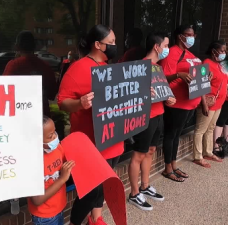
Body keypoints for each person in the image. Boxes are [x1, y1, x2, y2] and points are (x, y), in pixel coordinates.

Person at [58, 24, 123, 225]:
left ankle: (96, 218)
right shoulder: (78, 68)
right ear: (98, 44)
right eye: (111, 42)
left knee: (104, 185)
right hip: (91, 143)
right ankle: (76, 222)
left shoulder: (110, 69)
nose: (115, 45)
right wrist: (81, 103)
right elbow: (62, 103)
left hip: (112, 139)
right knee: (90, 190)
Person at [128, 32, 176, 211]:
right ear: (156, 47)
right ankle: (134, 194)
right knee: (138, 155)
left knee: (151, 150)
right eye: (165, 46)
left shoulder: (157, 67)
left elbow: (162, 90)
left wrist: (169, 98)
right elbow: (130, 94)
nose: (167, 49)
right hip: (144, 117)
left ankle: (144, 186)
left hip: (158, 115)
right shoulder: (139, 67)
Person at [159, 25, 202, 182]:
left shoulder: (191, 54)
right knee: (171, 135)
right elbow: (162, 78)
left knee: (177, 135)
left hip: (190, 103)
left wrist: (206, 75)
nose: (192, 37)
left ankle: (174, 165)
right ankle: (167, 168)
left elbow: (198, 75)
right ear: (179, 36)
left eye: (193, 35)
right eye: (188, 34)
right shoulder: (171, 53)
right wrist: (179, 75)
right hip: (177, 103)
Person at [28, 116, 75, 225]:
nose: (55, 137)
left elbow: (65, 166)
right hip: (44, 216)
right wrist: (62, 179)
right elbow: (37, 200)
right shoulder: (33, 162)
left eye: (54, 132)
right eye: (50, 136)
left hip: (59, 207)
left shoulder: (58, 148)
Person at [3, 30, 58, 118]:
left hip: (19, 116)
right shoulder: (45, 66)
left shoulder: (13, 65)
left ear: (17, 46)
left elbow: (4, 92)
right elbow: (52, 94)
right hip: (42, 116)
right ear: (35, 46)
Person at [192, 40, 227, 167]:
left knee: (210, 128)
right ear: (214, 51)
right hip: (209, 102)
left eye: (225, 51)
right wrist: (204, 104)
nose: (224, 53)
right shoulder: (206, 63)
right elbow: (200, 85)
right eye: (222, 50)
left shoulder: (219, 65)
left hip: (219, 103)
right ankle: (198, 156)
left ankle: (207, 152)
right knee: (200, 129)